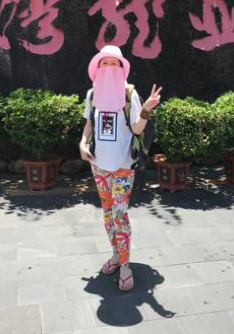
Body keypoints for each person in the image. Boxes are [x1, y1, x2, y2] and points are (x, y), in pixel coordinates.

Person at [79, 45, 162, 291]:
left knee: (119, 213)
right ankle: (116, 254)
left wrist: (146, 110)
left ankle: (125, 264)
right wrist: (82, 143)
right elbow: (89, 124)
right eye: (104, 62)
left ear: (121, 67)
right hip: (99, 164)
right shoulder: (92, 93)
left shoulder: (129, 94)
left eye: (113, 62)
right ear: (98, 67)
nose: (108, 66)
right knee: (107, 212)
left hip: (124, 164)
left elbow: (136, 128)